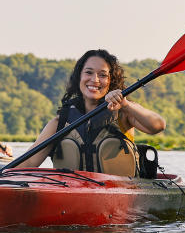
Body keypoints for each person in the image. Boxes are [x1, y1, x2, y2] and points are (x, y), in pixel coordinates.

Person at [17, 49, 165, 176]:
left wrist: (125, 104)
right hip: (73, 197)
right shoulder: (60, 123)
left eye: (103, 75)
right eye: (88, 72)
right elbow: (30, 161)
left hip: (119, 197)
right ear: (79, 77)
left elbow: (158, 125)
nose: (95, 80)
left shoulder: (124, 112)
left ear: (110, 81)